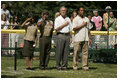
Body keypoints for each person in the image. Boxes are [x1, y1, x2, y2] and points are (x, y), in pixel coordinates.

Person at [72, 6, 91, 70]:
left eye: (83, 10)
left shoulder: (86, 19)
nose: (82, 11)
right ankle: (75, 65)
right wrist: (82, 25)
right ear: (78, 11)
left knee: (85, 53)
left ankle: (85, 66)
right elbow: (74, 28)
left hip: (85, 38)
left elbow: (89, 29)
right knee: (76, 53)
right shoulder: (75, 19)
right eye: (81, 10)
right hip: (78, 38)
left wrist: (89, 38)